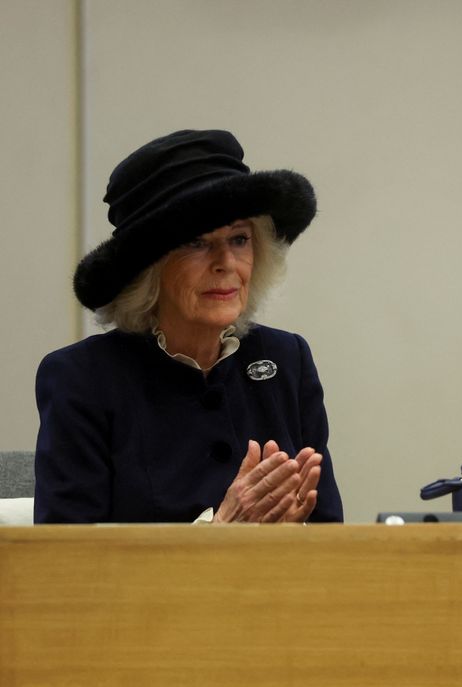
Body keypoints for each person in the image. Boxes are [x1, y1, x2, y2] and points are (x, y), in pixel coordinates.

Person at [34, 129, 343, 523]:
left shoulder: (287, 360)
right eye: (197, 243)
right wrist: (218, 539)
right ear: (149, 269)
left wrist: (291, 540)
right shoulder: (81, 380)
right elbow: (65, 568)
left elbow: (330, 532)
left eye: (239, 239)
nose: (225, 263)